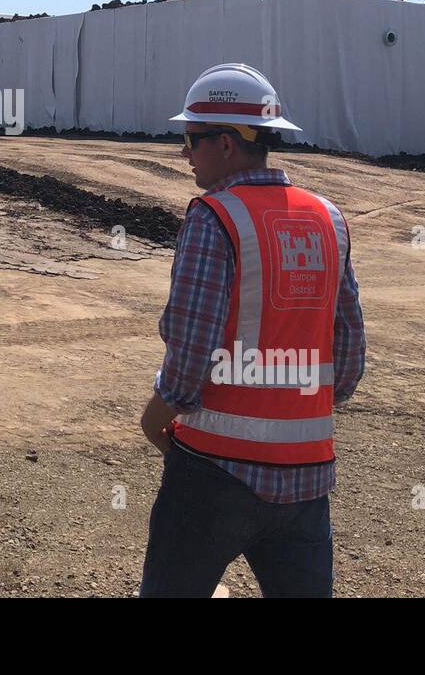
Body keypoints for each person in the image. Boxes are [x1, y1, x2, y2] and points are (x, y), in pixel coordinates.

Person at [139, 63, 366, 598]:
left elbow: (191, 351)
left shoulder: (213, 216)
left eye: (191, 139)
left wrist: (154, 420)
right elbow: (349, 355)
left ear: (226, 143)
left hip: (212, 476)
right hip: (307, 479)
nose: (184, 153)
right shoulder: (328, 218)